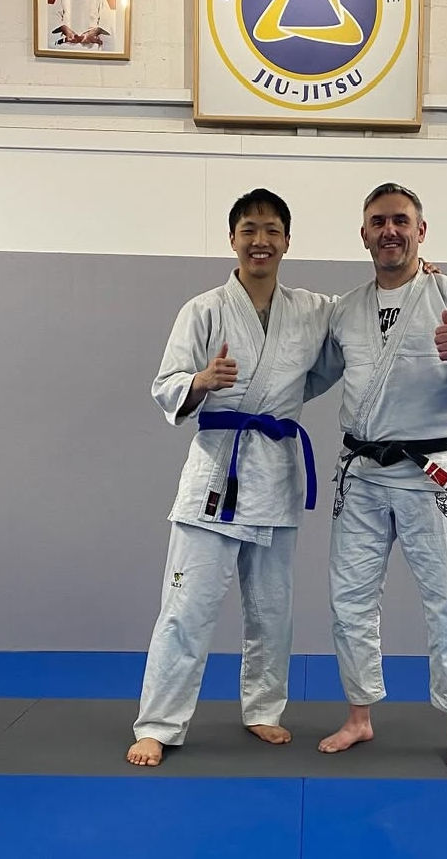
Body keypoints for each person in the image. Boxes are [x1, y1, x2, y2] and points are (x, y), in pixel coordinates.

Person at [126, 189, 337, 766]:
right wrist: (200, 381)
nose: (260, 241)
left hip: (276, 475)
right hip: (218, 471)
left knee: (272, 608)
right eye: (249, 230)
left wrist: (418, 276)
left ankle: (264, 708)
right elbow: (166, 384)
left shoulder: (312, 309)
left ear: (287, 241)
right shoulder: (202, 310)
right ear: (232, 239)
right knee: (186, 608)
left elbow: (363, 317)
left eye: (271, 230)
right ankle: (159, 723)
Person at [315, 182, 447, 770]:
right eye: (379, 221)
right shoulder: (346, 309)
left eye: (401, 221)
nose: (390, 231)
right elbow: (312, 374)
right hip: (361, 474)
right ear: (363, 234)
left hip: (429, 474)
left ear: (421, 231)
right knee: (349, 600)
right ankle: (359, 715)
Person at [46, 0, 116, 49]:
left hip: (91, 45)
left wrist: (93, 33)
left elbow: (106, 20)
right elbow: (55, 17)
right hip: (66, 43)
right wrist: (66, 30)